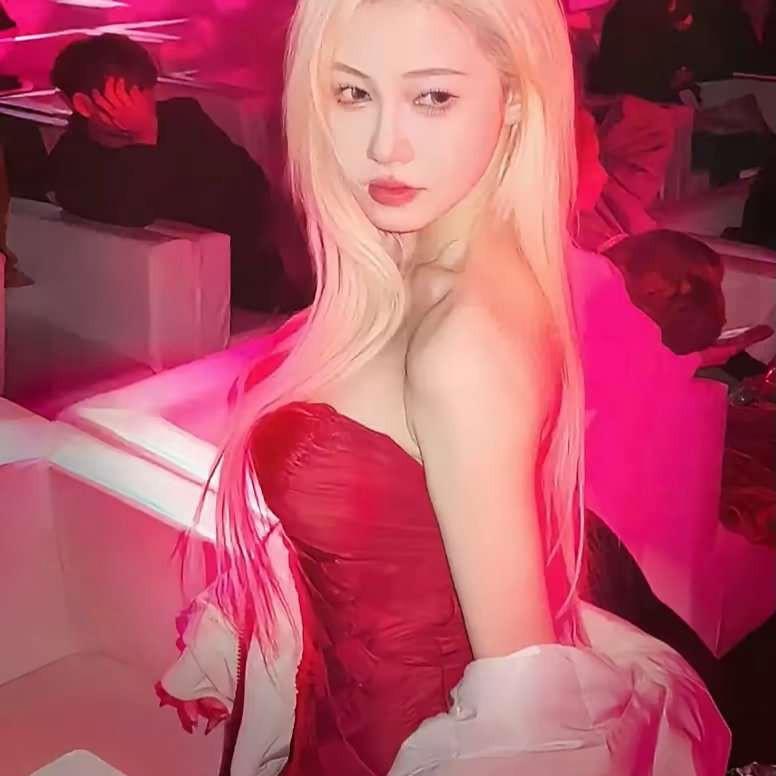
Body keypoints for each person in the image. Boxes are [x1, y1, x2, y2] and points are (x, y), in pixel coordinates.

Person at [158, 2, 730, 774]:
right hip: (345, 713)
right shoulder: (414, 263)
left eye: (433, 96)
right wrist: (244, 625)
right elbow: (384, 539)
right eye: (353, 92)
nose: (383, 147)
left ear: (515, 98)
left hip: (400, 747)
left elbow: (522, 709)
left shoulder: (463, 340)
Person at [47, 34, 305, 313]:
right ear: (84, 106)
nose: (144, 107)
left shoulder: (182, 118)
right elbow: (132, 213)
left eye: (145, 91)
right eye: (126, 96)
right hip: (169, 293)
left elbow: (249, 182)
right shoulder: (73, 162)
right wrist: (144, 139)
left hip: (253, 265)